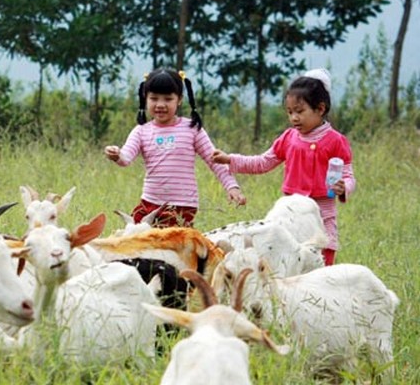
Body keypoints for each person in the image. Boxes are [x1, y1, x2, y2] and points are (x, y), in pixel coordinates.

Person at [212, 68, 355, 266]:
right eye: (290, 112)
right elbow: (263, 162)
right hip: (291, 215)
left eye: (300, 111)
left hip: (322, 215)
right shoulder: (289, 138)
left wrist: (344, 186)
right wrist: (230, 159)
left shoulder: (336, 141)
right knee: (288, 262)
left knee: (322, 263)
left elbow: (348, 175)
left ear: (320, 109)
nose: (294, 117)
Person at [104, 68, 246, 228]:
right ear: (145, 98)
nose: (160, 105)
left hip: (182, 206)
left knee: (169, 241)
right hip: (149, 203)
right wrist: (116, 154)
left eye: (168, 99)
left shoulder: (192, 129)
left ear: (179, 100)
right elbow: (126, 158)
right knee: (134, 236)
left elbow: (215, 161)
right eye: (154, 98)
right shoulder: (141, 131)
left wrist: (232, 187)